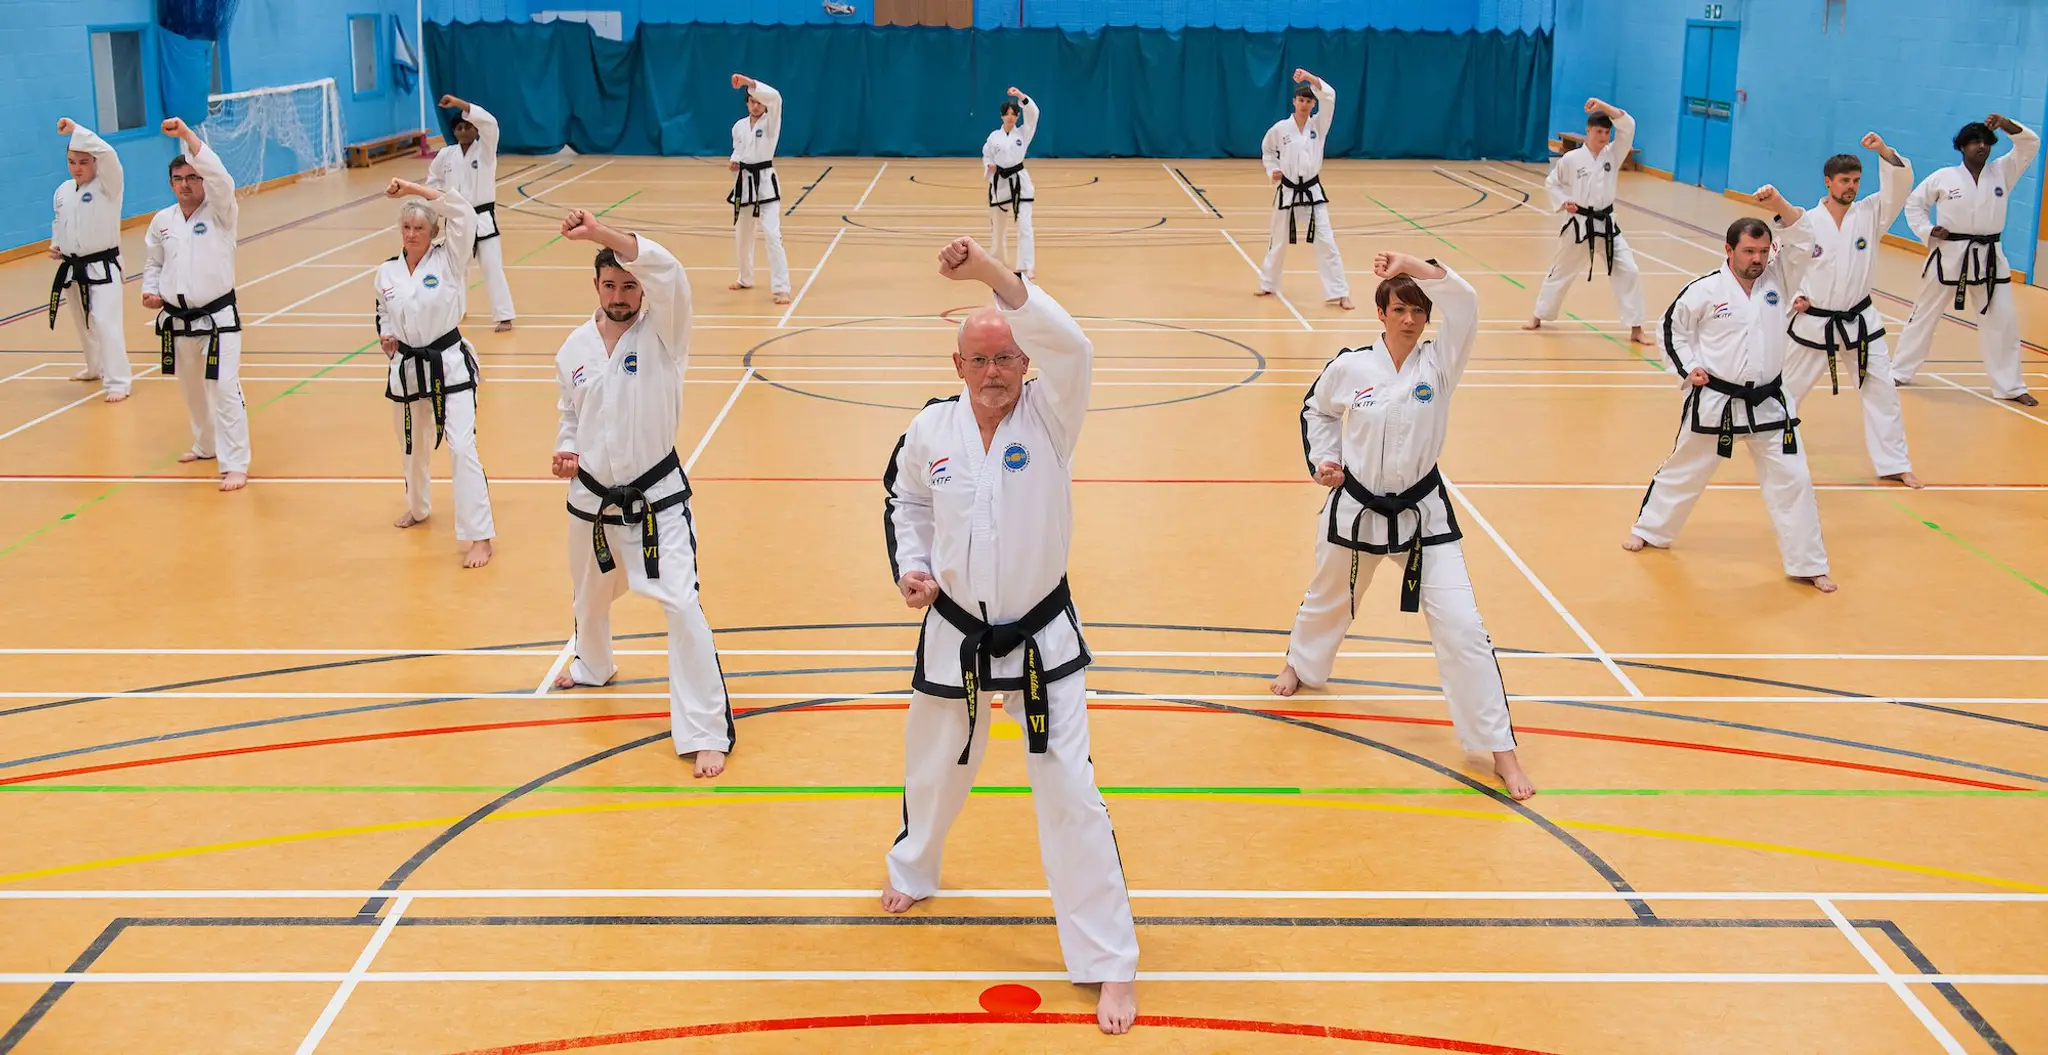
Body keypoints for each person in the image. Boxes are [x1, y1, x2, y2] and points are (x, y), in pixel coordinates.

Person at [880, 237, 1138, 1034]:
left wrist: (993, 273)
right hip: (954, 630)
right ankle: (914, 867)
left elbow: (1076, 342)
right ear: (957, 365)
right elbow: (906, 503)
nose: (995, 370)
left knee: (1069, 792)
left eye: (1007, 357)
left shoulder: (1054, 414)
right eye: (981, 357)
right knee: (933, 767)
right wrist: (914, 567)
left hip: (1039, 637)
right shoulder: (931, 430)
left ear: (1026, 364)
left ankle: (1107, 962)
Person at [1271, 252, 1534, 801]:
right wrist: (1324, 460)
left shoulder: (1441, 362)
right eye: (1400, 308)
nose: (1411, 319)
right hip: (1358, 506)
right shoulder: (1351, 367)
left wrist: (1417, 264)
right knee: (1330, 597)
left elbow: (1469, 302)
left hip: (1422, 515)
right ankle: (1301, 663)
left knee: (1464, 628)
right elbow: (1316, 410)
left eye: (1418, 309)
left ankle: (1500, 750)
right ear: (1381, 313)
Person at [551, 209, 733, 780]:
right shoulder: (574, 349)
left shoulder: (664, 331)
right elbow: (570, 414)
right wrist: (566, 449)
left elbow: (669, 271)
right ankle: (593, 664)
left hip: (657, 500)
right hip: (592, 499)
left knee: (680, 602)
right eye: (610, 284)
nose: (621, 294)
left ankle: (705, 728)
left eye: (630, 285)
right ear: (596, 286)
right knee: (588, 595)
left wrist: (604, 234)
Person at [1627, 191, 1835, 593]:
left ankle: (1808, 562)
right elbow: (1672, 330)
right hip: (1716, 398)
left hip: (1770, 402)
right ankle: (1650, 529)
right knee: (1685, 469)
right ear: (1729, 250)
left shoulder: (1781, 278)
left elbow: (1804, 237)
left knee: (1794, 480)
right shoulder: (1704, 290)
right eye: (1749, 251)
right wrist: (1690, 370)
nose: (1757, 259)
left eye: (1763, 251)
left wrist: (1779, 204)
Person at [373, 177, 497, 568]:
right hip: (407, 367)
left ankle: (480, 536)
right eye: (406, 227)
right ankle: (418, 506)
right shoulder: (387, 272)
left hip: (449, 365)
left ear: (434, 231)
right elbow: (382, 312)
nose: (411, 234)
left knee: (461, 447)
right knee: (413, 446)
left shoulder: (450, 257)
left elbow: (463, 212)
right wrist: (386, 336)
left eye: (420, 228)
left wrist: (416, 189)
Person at [1783, 134, 1919, 487]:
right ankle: (1769, 445)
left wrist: (1883, 152)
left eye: (1857, 181)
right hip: (1815, 323)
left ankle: (1893, 463)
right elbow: (1788, 264)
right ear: (1828, 181)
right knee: (1785, 389)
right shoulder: (1808, 220)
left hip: (1860, 321)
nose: (1851, 187)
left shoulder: (1872, 213)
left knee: (1882, 391)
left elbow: (1900, 186)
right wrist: (1795, 296)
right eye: (1845, 181)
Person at [1891, 115, 2038, 405]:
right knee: (1923, 315)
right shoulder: (1943, 177)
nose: (1981, 147)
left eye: (1986, 142)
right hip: (1948, 255)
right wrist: (1928, 230)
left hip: (1989, 257)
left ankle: (2010, 386)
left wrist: (2006, 124)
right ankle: (1899, 371)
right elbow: (1915, 204)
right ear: (1962, 147)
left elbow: (2029, 144)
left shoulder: (2004, 171)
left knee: (2002, 322)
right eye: (1974, 142)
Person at [142, 118, 248, 491]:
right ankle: (204, 444)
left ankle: (234, 463)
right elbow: (154, 262)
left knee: (223, 387)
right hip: (177, 320)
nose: (185, 185)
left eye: (192, 177)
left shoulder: (221, 211)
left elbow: (222, 179)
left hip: (218, 318)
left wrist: (188, 138)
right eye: (178, 179)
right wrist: (151, 290)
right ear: (171, 184)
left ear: (202, 180)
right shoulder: (162, 221)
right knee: (191, 388)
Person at [1524, 99, 1652, 346]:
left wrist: (1603, 106)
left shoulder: (1614, 154)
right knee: (1560, 271)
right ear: (1588, 131)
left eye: (1607, 132)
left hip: (1607, 223)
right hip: (1578, 223)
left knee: (1629, 270)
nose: (1603, 137)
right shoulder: (1572, 158)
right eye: (1598, 131)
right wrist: (1563, 202)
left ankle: (1636, 327)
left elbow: (1628, 125)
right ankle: (1538, 316)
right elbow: (1552, 183)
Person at [49, 117, 131, 402]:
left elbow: (110, 154)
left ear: (95, 162)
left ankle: (119, 380)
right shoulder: (62, 190)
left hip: (103, 266)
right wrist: (57, 244)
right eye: (72, 161)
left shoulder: (109, 185)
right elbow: (59, 221)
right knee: (83, 322)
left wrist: (76, 130)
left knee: (106, 322)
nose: (77, 168)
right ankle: (94, 367)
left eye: (83, 162)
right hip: (72, 266)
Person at [1258, 68, 1352, 310]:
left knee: (1327, 241)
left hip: (1312, 194)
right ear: (1294, 101)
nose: (1304, 104)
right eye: (1301, 99)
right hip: (1287, 192)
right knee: (1277, 240)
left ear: (1313, 104)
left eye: (1309, 100)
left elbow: (1330, 96)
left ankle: (1340, 293)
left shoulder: (1318, 125)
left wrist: (1309, 78)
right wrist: (1273, 170)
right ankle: (1268, 283)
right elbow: (1267, 151)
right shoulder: (1280, 129)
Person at [427, 95, 516, 332]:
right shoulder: (446, 156)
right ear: (454, 132)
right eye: (459, 127)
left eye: (468, 126)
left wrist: (460, 104)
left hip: (482, 217)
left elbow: (491, 124)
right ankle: (455, 311)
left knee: (491, 266)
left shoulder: (485, 151)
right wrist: (436, 214)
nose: (464, 130)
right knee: (454, 268)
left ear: (476, 129)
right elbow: (432, 184)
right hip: (455, 217)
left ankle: (504, 315)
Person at [727, 73, 790, 305]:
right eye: (751, 101)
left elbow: (776, 98)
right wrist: (734, 161)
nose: (755, 106)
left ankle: (782, 287)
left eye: (758, 101)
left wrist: (748, 83)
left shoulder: (771, 121)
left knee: (772, 234)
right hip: (744, 181)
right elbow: (738, 149)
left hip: (765, 181)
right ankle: (745, 277)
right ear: (746, 103)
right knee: (742, 234)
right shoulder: (739, 126)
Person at [984, 86, 1039, 278]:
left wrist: (1020, 96)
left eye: (1014, 114)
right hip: (1000, 184)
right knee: (998, 225)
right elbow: (986, 155)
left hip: (1020, 183)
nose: (1010, 117)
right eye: (1007, 114)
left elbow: (1033, 114)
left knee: (1024, 223)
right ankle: (997, 260)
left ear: (1017, 117)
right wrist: (990, 166)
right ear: (1001, 116)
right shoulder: (993, 137)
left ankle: (1026, 265)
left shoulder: (1023, 133)